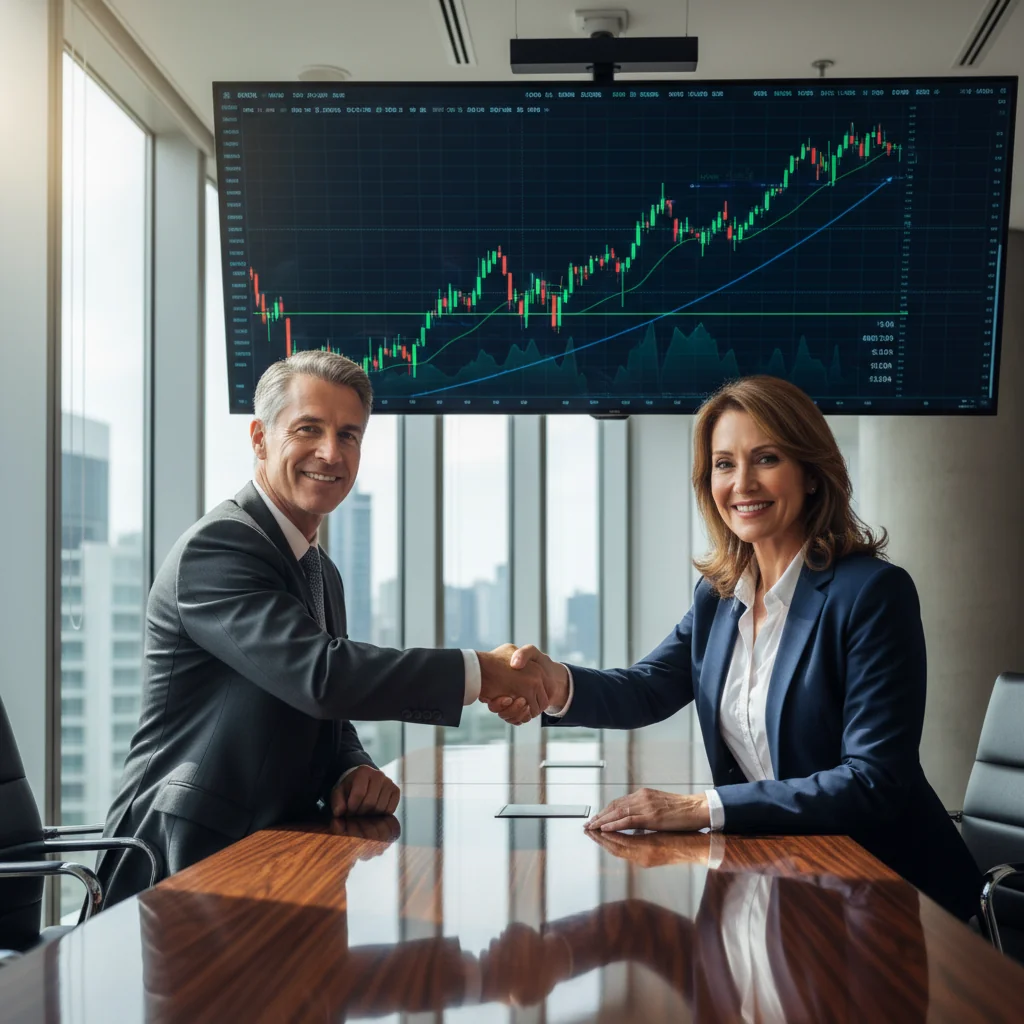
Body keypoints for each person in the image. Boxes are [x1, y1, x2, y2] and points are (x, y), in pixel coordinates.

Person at [493, 374, 982, 921]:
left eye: (766, 458)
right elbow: (649, 688)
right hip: (792, 874)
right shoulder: (720, 597)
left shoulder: (871, 594)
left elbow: (873, 782)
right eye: (724, 464)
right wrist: (553, 682)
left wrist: (702, 807)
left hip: (889, 896)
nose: (742, 483)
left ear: (812, 474)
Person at [97, 351, 547, 906]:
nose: (331, 453)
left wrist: (351, 767)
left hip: (280, 848)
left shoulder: (318, 568)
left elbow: (318, 702)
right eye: (309, 429)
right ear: (260, 437)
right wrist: (483, 672)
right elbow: (321, 676)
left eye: (349, 435)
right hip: (183, 862)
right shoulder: (220, 548)